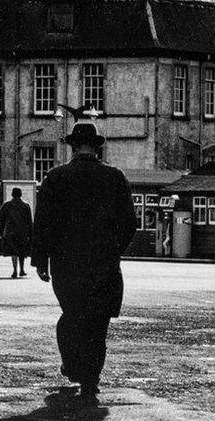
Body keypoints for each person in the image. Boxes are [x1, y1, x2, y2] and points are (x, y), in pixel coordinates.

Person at [31, 120, 137, 405]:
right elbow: (130, 223)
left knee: (73, 316)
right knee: (98, 324)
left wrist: (40, 258)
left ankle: (73, 365)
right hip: (104, 264)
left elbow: (43, 223)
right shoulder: (115, 177)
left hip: (67, 264)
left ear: (72, 146)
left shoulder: (55, 177)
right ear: (97, 147)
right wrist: (115, 250)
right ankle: (91, 380)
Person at [0, 187, 33, 278]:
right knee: (22, 251)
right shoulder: (26, 206)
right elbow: (30, 221)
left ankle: (14, 270)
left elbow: (1, 220)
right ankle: (22, 270)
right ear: (20, 194)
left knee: (13, 251)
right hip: (22, 232)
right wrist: (30, 234)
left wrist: (1, 231)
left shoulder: (6, 205)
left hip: (10, 232)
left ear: (12, 194)